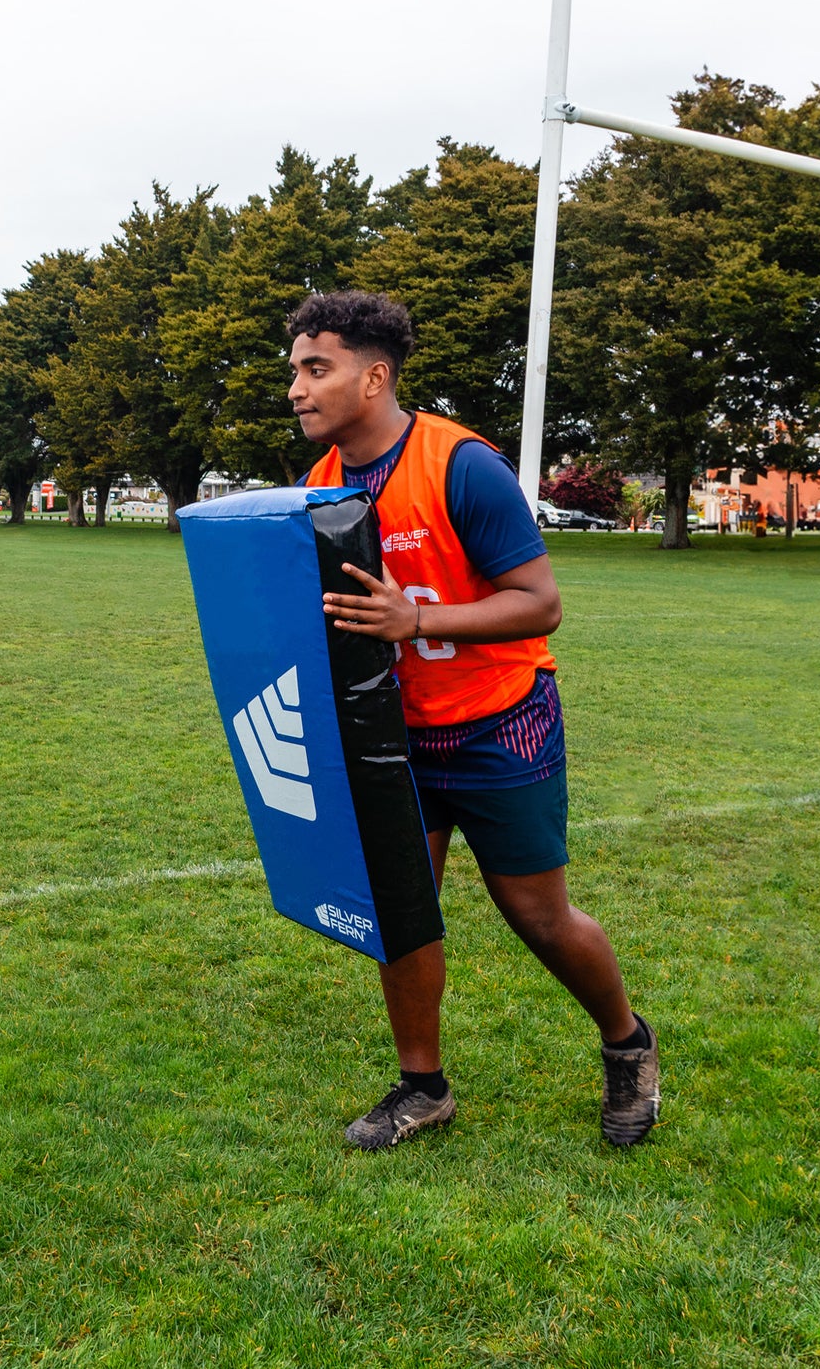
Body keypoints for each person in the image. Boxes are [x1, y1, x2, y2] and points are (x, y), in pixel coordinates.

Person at [288, 289, 660, 1151]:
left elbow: (540, 603)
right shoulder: (319, 484)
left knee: (538, 916)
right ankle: (423, 1087)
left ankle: (626, 1043)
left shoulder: (461, 465)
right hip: (393, 735)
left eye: (318, 369)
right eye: (297, 371)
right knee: (400, 908)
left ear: (374, 376)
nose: (299, 389)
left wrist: (414, 621)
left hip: (499, 722)